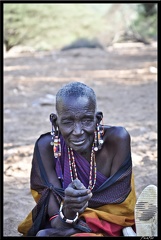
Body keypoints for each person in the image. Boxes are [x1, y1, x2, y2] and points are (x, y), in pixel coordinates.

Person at [18, 81, 137, 237]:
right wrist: (68, 208)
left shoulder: (117, 140)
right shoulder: (46, 148)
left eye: (87, 120)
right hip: (67, 223)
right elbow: (56, 222)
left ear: (98, 119)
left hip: (111, 223)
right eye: (68, 122)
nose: (78, 131)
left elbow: (121, 209)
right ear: (55, 121)